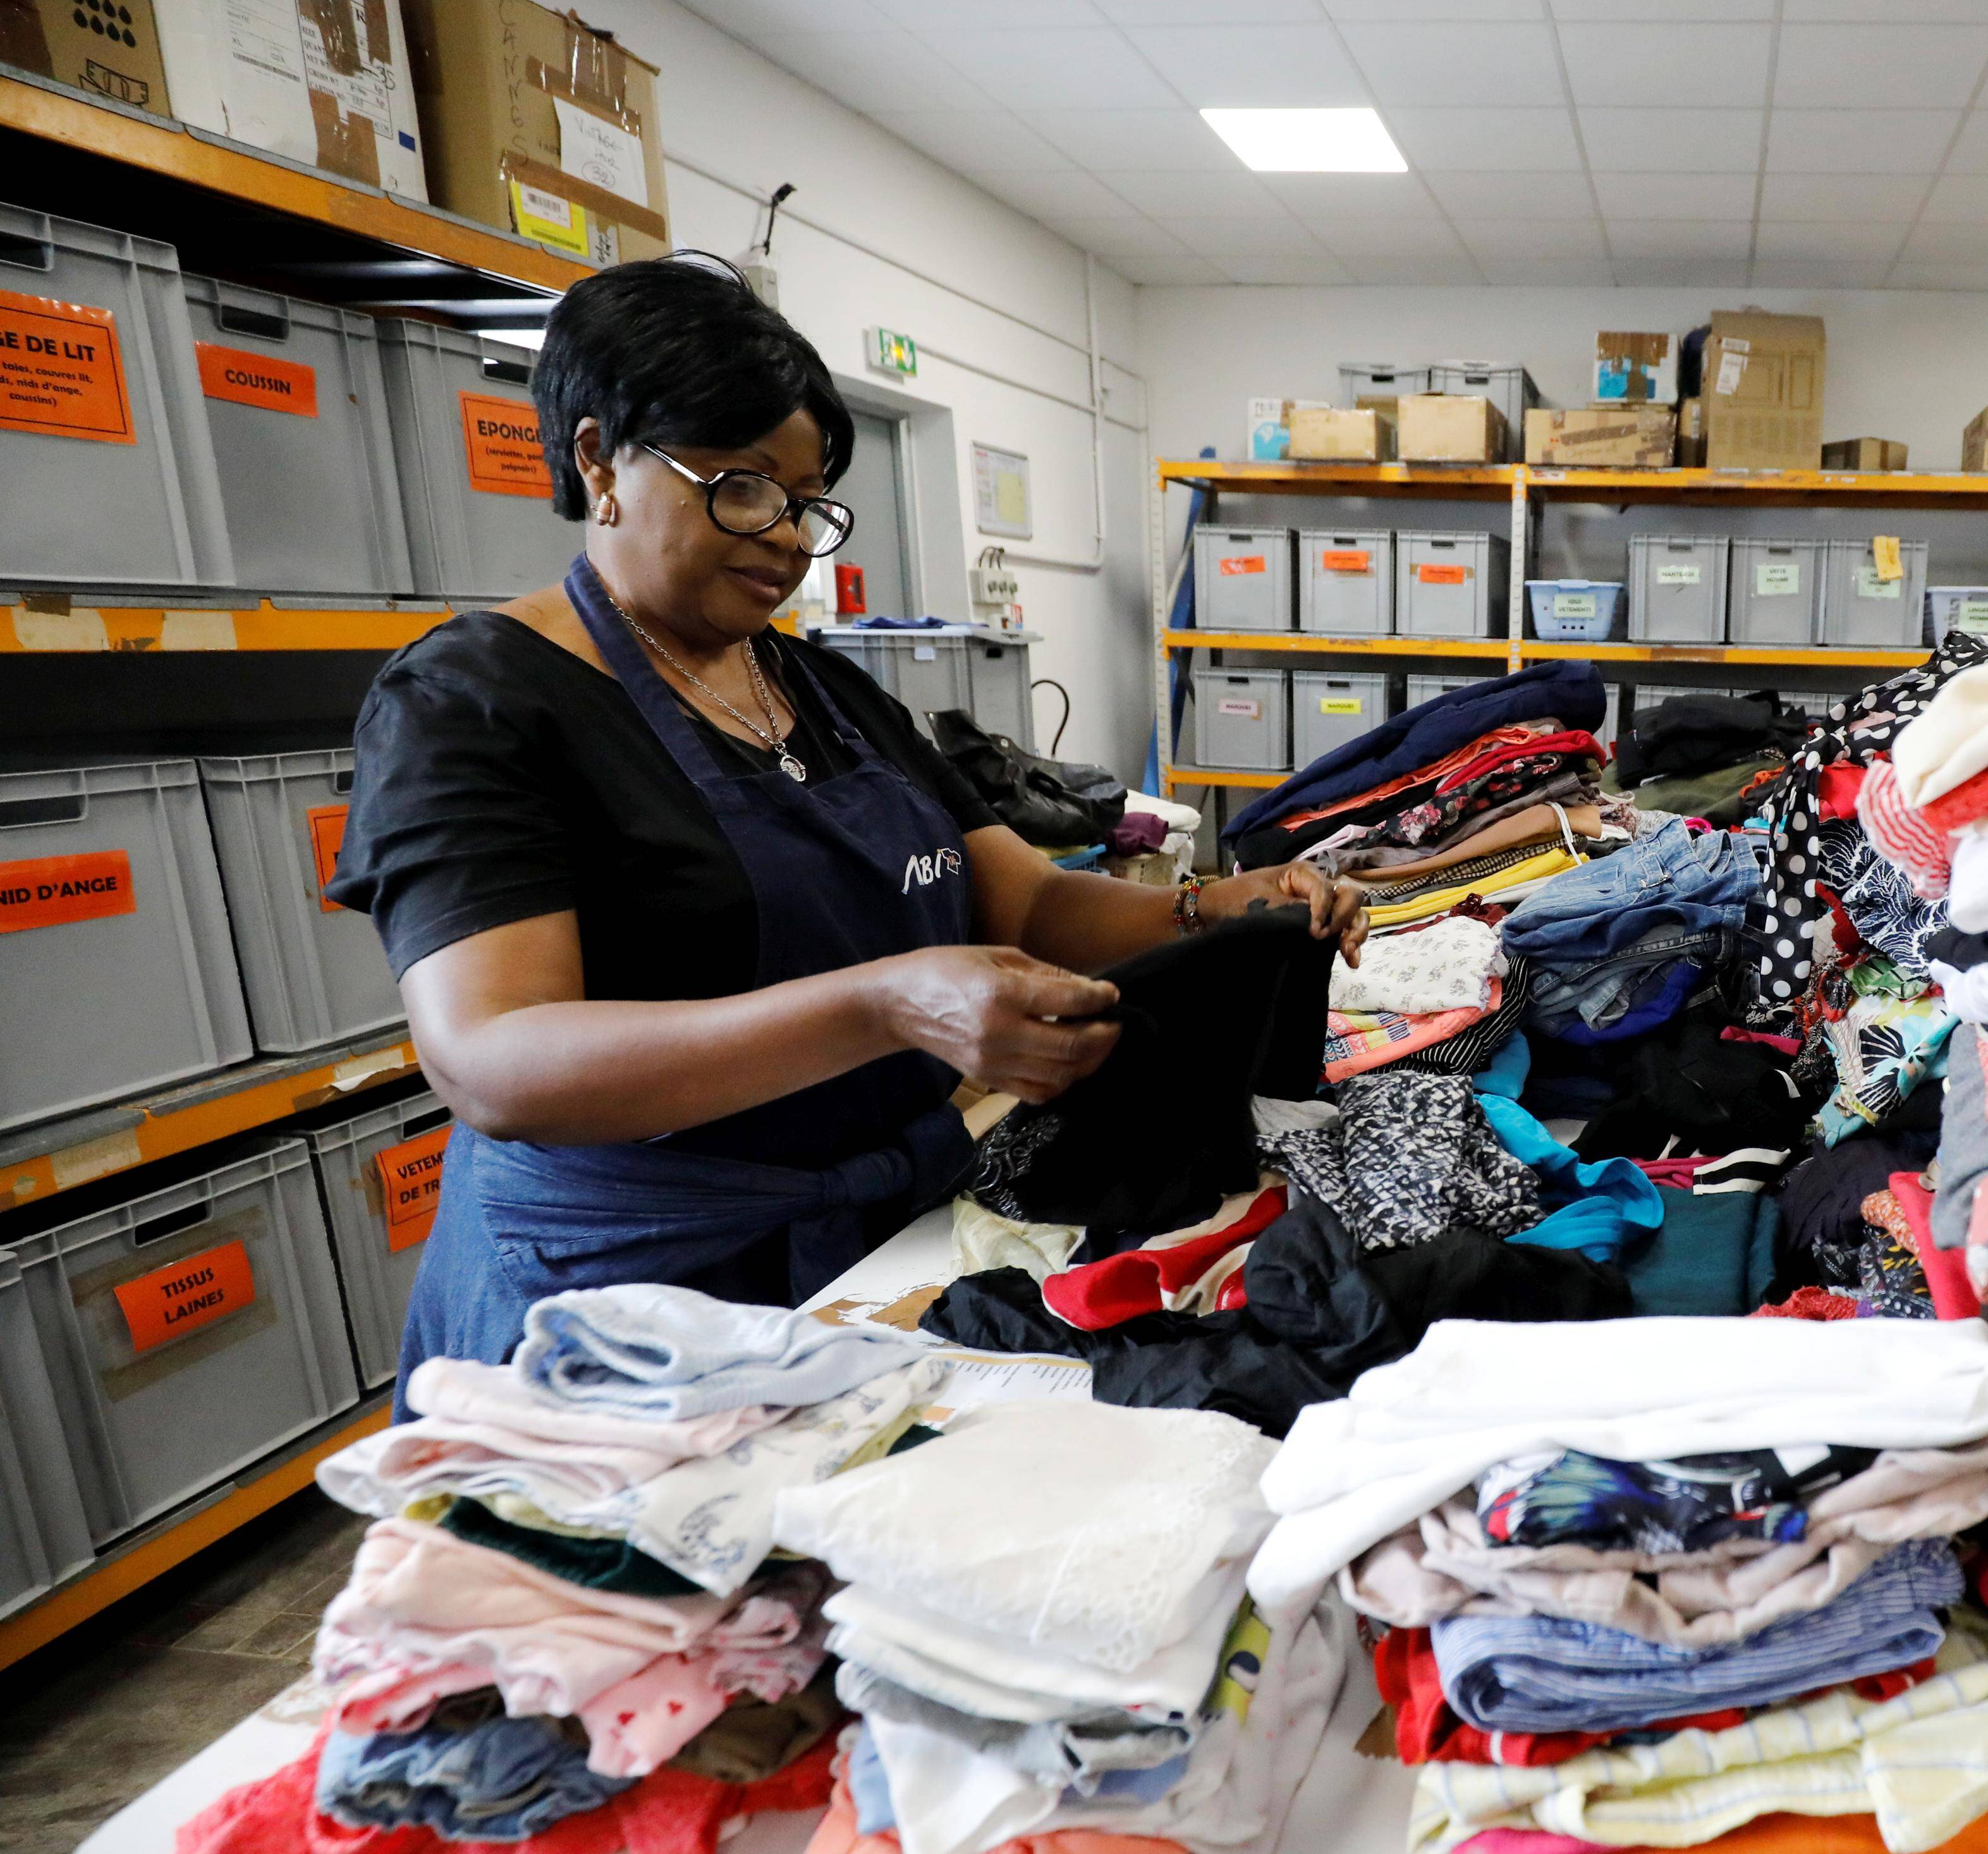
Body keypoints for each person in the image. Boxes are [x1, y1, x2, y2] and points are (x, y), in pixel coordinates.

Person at [326, 257, 1362, 1398]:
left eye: (807, 501)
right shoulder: (474, 702)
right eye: (743, 487)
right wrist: (885, 1006)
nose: (784, 536)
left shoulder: (824, 692)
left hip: (867, 1244)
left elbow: (1026, 901)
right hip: (619, 1295)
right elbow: (495, 1061)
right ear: (597, 458)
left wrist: (1211, 906)